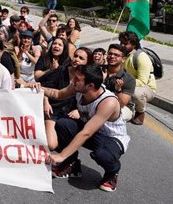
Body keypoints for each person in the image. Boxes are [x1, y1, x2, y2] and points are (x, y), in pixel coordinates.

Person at [43, 64, 130, 193]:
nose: (73, 81)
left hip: (111, 138)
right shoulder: (78, 88)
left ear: (90, 85)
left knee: (102, 155)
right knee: (63, 124)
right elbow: (57, 94)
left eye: (77, 79)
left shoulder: (108, 102)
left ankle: (112, 172)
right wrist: (31, 86)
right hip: (92, 131)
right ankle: (71, 163)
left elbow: (86, 133)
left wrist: (60, 155)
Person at [119, 31, 157, 125]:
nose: (122, 45)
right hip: (128, 83)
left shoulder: (141, 57)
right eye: (121, 42)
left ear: (134, 44)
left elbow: (142, 82)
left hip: (146, 88)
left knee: (136, 93)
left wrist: (123, 83)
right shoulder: (123, 55)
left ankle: (140, 112)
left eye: (125, 43)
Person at [104, 44, 137, 122]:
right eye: (110, 54)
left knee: (113, 115)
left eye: (116, 55)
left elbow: (122, 104)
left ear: (123, 59)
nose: (112, 56)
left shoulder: (129, 79)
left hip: (122, 106)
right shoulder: (99, 70)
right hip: (100, 101)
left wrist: (118, 90)